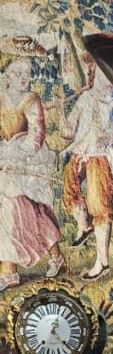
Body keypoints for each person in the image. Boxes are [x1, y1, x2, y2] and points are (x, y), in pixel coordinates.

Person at [0, 57, 64, 291]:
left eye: (27, 72)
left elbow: (36, 137)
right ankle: (8, 270)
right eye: (18, 72)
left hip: (29, 160)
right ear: (7, 75)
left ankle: (54, 255)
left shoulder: (32, 100)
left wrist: (17, 158)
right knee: (9, 212)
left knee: (32, 212)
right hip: (6, 157)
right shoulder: (1, 99)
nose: (23, 77)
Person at [61, 60, 113, 281]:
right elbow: (69, 127)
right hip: (81, 152)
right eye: (103, 73)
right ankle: (82, 223)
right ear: (94, 73)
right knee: (69, 189)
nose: (108, 79)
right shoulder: (86, 97)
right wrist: (66, 126)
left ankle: (102, 260)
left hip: (103, 156)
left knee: (98, 203)